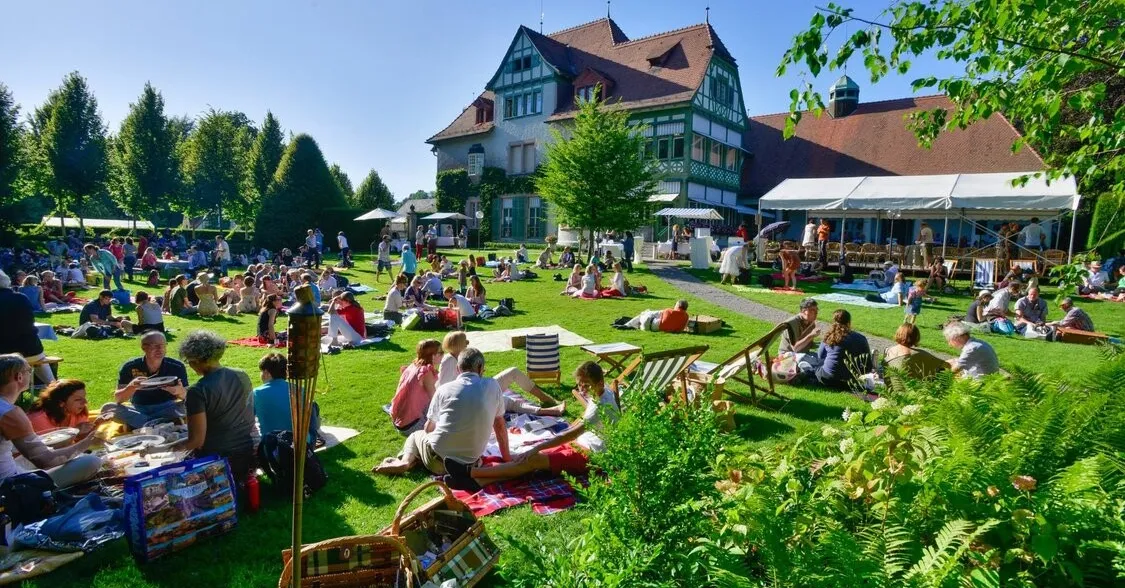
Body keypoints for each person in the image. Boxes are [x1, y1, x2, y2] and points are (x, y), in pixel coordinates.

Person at [373, 347, 510, 492]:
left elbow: (428, 429)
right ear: (481, 367)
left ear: (458, 368)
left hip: (438, 461)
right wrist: (507, 458)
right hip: (471, 464)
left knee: (416, 435)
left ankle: (405, 461)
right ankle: (414, 460)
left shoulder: (444, 389)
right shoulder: (493, 385)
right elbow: (500, 426)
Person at [472, 361, 618, 483]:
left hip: (590, 454)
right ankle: (484, 480)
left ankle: (473, 473)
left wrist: (537, 447)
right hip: (580, 444)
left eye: (586, 385)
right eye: (579, 385)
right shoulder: (603, 392)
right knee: (526, 457)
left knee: (532, 459)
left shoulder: (601, 407)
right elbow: (580, 423)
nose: (582, 390)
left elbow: (570, 435)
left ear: (600, 382)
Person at [0, 354, 104, 487]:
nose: (31, 375)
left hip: (12, 471)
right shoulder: (9, 413)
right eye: (29, 371)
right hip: (10, 487)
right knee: (91, 461)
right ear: (19, 377)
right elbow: (46, 461)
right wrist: (88, 442)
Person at [167, 330, 255, 487]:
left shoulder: (197, 391)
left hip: (216, 462)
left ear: (198, 360)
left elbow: (196, 441)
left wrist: (167, 450)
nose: (190, 365)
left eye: (189, 361)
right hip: (246, 453)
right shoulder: (242, 375)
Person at [105, 331, 190, 429]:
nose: (160, 349)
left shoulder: (176, 366)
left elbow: (187, 397)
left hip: (167, 407)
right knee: (108, 408)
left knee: (193, 403)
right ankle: (162, 423)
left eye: (163, 345)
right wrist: (131, 387)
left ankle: (140, 424)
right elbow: (118, 399)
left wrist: (180, 391)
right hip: (139, 408)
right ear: (143, 347)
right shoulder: (130, 367)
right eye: (154, 346)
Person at [253, 353, 319, 444]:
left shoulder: (256, 393)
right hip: (303, 445)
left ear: (267, 373)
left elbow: (247, 419)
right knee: (312, 405)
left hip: (271, 447)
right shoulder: (299, 390)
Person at [390, 339, 442, 435]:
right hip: (412, 426)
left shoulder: (414, 366)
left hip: (398, 421)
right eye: (441, 352)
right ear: (433, 356)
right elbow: (435, 399)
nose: (443, 355)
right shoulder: (426, 372)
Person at [814, 309, 873, 389]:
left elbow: (820, 356)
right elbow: (868, 365)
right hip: (850, 381)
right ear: (849, 323)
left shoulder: (829, 336)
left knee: (816, 365)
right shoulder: (861, 339)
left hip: (827, 378)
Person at [28, 379, 93, 434]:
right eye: (78, 399)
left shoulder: (78, 411)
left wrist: (97, 423)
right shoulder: (39, 420)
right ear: (61, 403)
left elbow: (84, 439)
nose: (85, 402)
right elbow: (50, 446)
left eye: (84, 397)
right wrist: (74, 432)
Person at [883, 323, 948, 379]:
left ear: (898, 334)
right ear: (916, 337)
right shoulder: (919, 354)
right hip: (911, 389)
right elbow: (945, 365)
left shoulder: (887, 351)